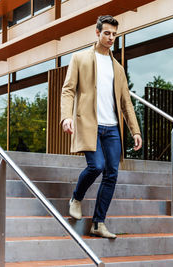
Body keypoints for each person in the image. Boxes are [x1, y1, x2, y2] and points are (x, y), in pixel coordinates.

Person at [60, 15, 142, 239]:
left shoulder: (118, 68)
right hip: (90, 125)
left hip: (112, 128)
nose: (111, 37)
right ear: (97, 33)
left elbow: (126, 102)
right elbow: (68, 90)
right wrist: (66, 116)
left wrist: (135, 130)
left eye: (114, 34)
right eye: (107, 33)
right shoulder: (80, 58)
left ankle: (98, 223)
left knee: (112, 174)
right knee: (96, 166)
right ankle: (76, 197)